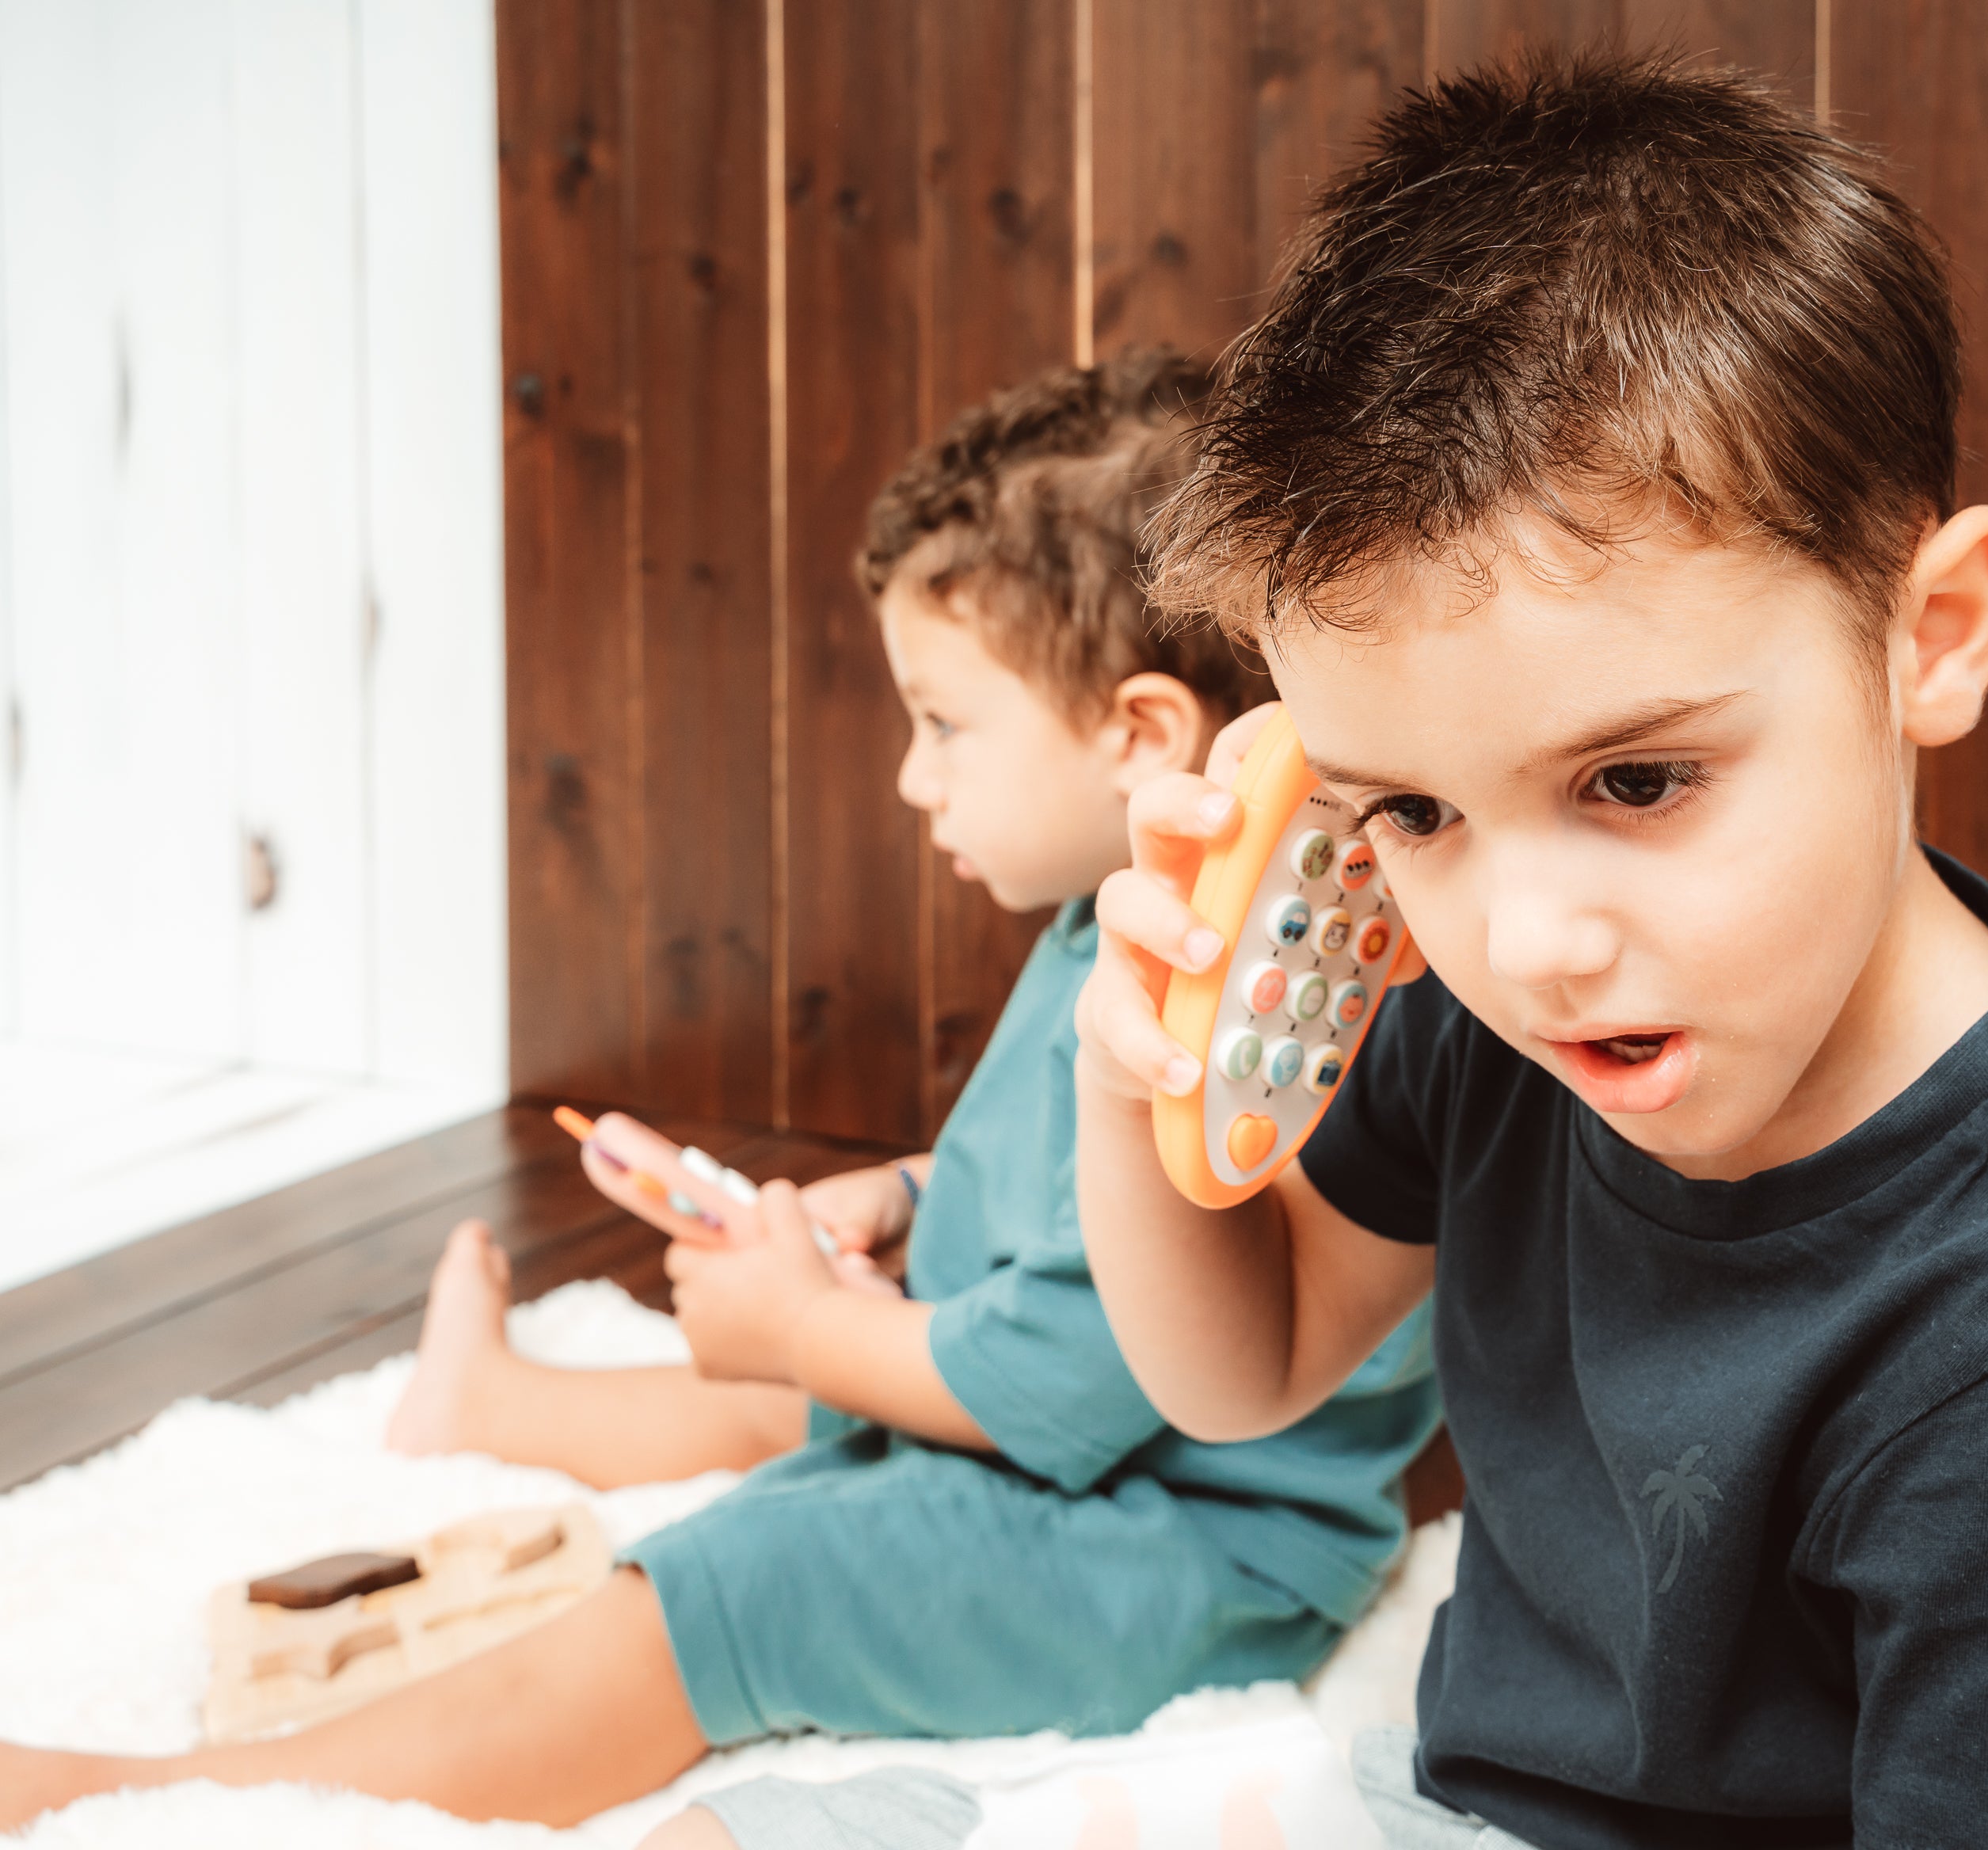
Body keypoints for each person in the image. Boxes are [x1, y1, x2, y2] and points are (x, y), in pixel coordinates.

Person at [1072, 53, 1988, 1850]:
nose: (1530, 941)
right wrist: (1141, 1089)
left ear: (1933, 635)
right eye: (1407, 811)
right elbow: (1242, 1363)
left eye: (1638, 778)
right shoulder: (1506, 1006)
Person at [0, 350, 1441, 1842]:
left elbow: (1062, 1389)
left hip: (1201, 1552)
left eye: (944, 724)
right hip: (1121, 1469)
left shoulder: (1259, 996)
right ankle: (502, 1404)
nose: (910, 779)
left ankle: (143, 1797)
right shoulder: (1108, 925)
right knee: (819, 1387)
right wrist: (900, 1198)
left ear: (1137, 735)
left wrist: (815, 1328)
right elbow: (1037, 1188)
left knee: (763, 1559)